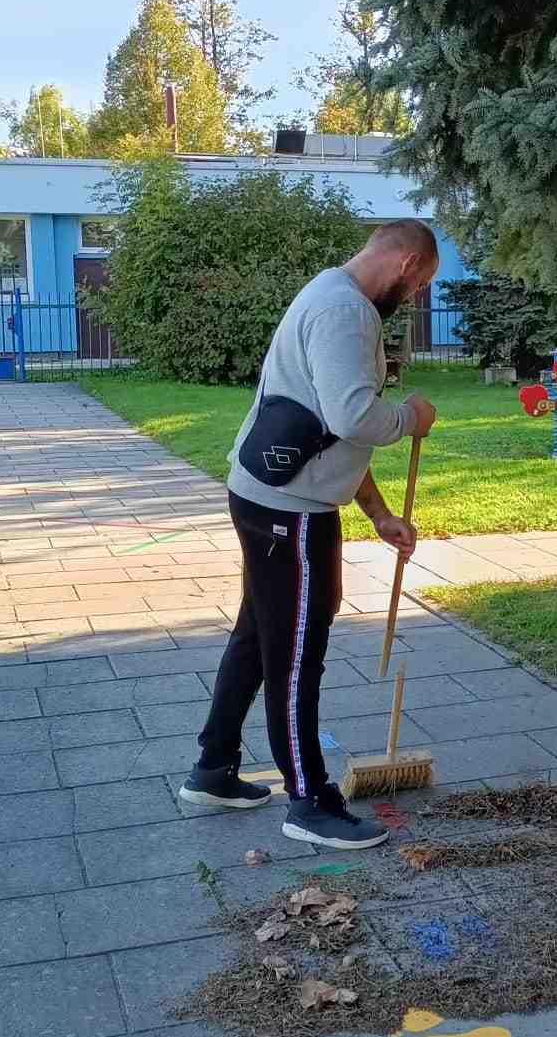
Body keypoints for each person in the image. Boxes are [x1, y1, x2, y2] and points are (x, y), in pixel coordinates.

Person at [179, 220, 440, 849]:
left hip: (270, 495)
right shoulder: (346, 313)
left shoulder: (330, 293)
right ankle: (309, 802)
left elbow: (325, 426)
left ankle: (213, 769)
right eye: (420, 284)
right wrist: (411, 417)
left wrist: (377, 513)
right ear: (407, 263)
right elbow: (355, 417)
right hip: (289, 513)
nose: (414, 297)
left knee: (258, 636)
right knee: (295, 652)